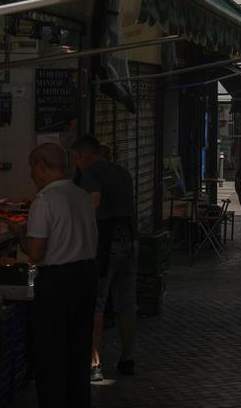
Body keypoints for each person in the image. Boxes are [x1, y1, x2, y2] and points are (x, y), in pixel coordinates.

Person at [11, 143, 98, 408]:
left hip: (57, 283)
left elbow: (36, 252)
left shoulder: (44, 201)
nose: (31, 176)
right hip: (86, 278)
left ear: (41, 166)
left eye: (31, 169)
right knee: (78, 351)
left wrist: (18, 236)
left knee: (51, 355)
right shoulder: (82, 195)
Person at [72, 135, 138, 382]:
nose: (76, 163)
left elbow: (93, 204)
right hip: (130, 240)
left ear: (85, 154)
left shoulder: (90, 173)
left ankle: (94, 363)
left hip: (105, 243)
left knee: (96, 303)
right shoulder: (123, 173)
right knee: (127, 303)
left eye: (76, 158)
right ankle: (128, 357)